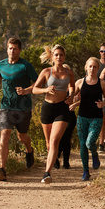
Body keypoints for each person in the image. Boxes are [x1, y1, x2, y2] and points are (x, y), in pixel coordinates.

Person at [17, 44, 77, 184]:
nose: (59, 57)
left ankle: (46, 173)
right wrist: (46, 90)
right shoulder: (46, 72)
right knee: (49, 144)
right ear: (52, 57)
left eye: (61, 55)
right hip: (47, 108)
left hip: (62, 108)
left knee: (55, 140)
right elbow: (35, 89)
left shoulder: (69, 73)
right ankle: (53, 157)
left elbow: (72, 86)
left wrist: (72, 95)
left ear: (64, 57)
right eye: (56, 55)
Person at [0, 36, 38, 182]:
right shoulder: (0, 64)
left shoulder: (25, 66)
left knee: (22, 137)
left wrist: (26, 90)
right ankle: (2, 169)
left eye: (15, 49)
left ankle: (29, 150)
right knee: (5, 134)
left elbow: (38, 82)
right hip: (6, 106)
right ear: (7, 49)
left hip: (23, 107)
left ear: (20, 50)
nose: (12, 51)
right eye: (10, 48)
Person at [70, 57, 105, 181]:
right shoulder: (80, 82)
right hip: (82, 117)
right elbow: (73, 95)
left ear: (98, 68)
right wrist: (73, 100)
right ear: (86, 67)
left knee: (89, 142)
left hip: (96, 118)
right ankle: (85, 171)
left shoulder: (102, 82)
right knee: (82, 145)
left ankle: (95, 154)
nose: (92, 69)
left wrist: (103, 104)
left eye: (95, 67)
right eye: (90, 66)